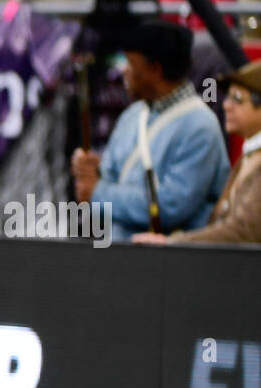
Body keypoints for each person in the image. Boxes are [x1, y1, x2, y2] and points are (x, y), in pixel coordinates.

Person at [71, 19, 230, 240]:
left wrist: (97, 192)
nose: (124, 72)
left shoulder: (200, 127)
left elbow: (171, 206)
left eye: (130, 63)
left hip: (173, 265)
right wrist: (93, 172)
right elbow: (110, 175)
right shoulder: (133, 115)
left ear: (155, 69)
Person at [135, 59, 261, 244]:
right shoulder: (250, 156)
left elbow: (243, 231)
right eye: (228, 97)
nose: (226, 105)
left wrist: (175, 243)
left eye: (238, 99)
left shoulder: (255, 160)